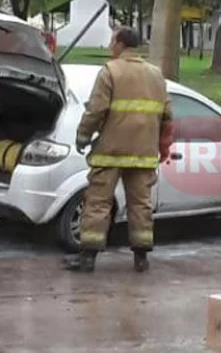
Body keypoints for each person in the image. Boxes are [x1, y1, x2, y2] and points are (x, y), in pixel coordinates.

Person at [63, 27, 174, 273]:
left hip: (110, 151)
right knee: (141, 205)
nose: (110, 46)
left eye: (112, 41)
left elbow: (96, 109)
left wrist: (82, 136)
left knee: (98, 203)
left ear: (121, 43)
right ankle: (141, 258)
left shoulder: (110, 71)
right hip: (144, 153)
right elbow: (167, 116)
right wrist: (163, 146)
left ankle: (88, 258)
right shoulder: (156, 75)